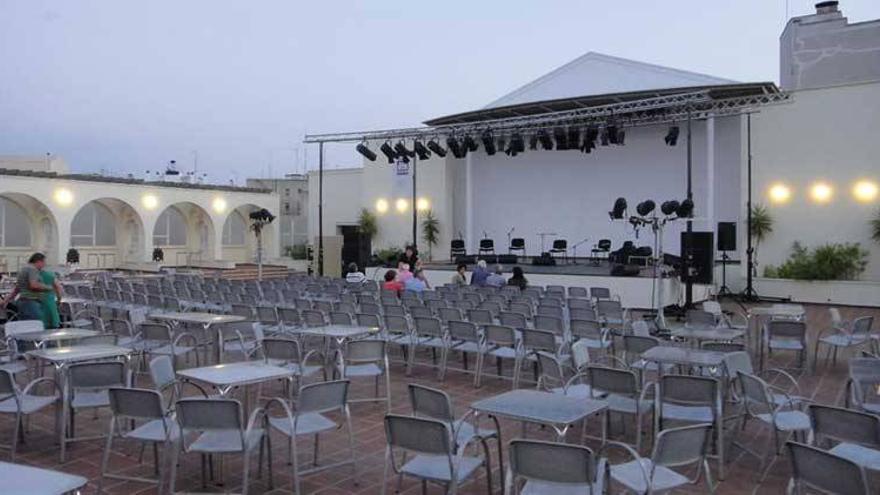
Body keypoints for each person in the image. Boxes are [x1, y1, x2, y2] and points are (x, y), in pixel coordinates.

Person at [1, 252, 52, 323]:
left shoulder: (24, 269)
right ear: (39, 261)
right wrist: (48, 287)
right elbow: (33, 285)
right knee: (34, 326)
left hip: (23, 302)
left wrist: (7, 299)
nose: (44, 265)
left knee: (25, 326)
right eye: (44, 263)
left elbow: (17, 288)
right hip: (31, 302)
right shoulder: (33, 269)